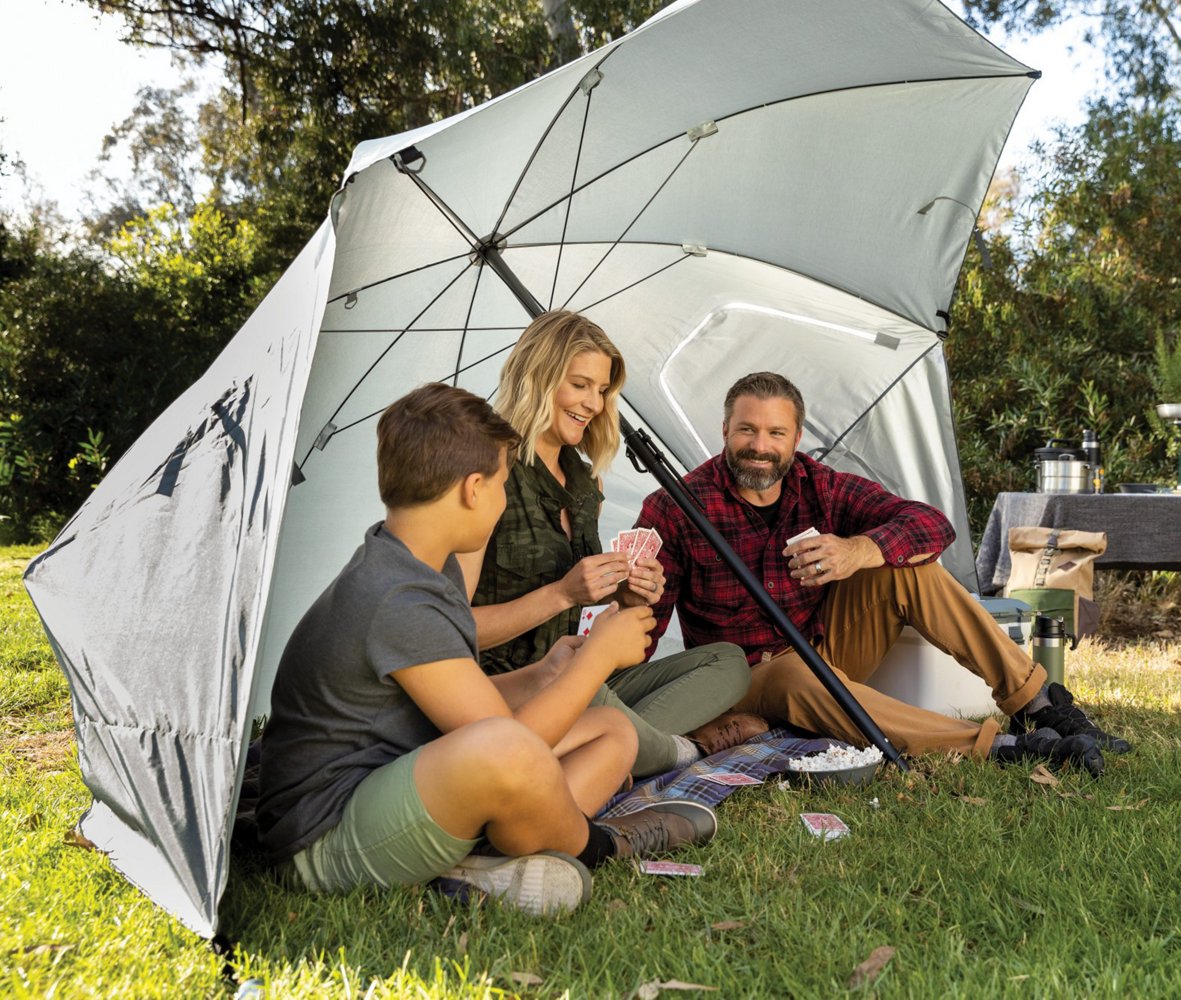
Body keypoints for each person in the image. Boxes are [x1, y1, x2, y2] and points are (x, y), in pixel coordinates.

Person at [256, 383, 717, 918]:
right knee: (507, 749)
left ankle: (479, 864)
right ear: (473, 488)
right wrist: (596, 660)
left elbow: (462, 706)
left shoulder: (421, 565)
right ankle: (602, 844)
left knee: (611, 730)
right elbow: (507, 742)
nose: (503, 498)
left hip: (400, 780)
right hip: (325, 840)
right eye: (502, 483)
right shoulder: (396, 596)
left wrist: (545, 673)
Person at [633, 371, 1133, 776]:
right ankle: (997, 747)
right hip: (744, 675)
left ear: (796, 438)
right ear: (725, 431)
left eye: (775, 433)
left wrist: (859, 550)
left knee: (907, 568)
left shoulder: (819, 485)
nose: (759, 445)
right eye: (747, 430)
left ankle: (1036, 703)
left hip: (824, 647)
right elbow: (641, 628)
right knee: (796, 676)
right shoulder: (676, 507)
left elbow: (931, 524)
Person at [462, 311, 764, 778]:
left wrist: (625, 595)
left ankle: (606, 747)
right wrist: (562, 593)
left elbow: (585, 614)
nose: (594, 404)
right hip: (512, 685)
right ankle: (672, 751)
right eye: (580, 384)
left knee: (727, 662)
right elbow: (453, 631)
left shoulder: (586, 483)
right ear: (539, 378)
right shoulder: (488, 473)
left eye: (602, 390)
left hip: (580, 673)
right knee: (591, 693)